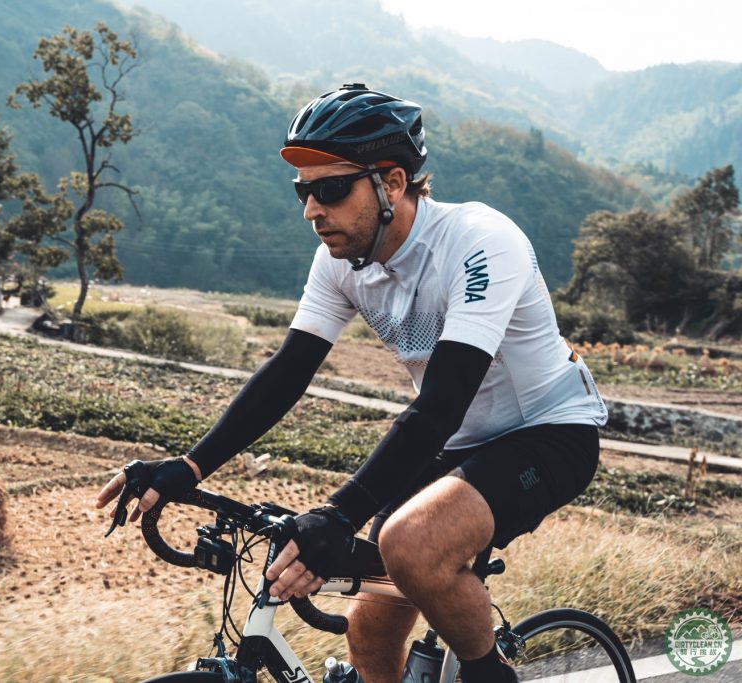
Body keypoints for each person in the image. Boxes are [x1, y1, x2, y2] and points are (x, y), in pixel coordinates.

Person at [96, 83, 607, 683]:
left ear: (392, 183)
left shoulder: (480, 243)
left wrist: (339, 515)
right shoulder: (340, 261)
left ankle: (488, 673)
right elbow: (288, 372)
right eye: (304, 191)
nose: (312, 210)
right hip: (455, 444)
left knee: (410, 544)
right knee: (370, 626)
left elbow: (441, 403)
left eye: (331, 189)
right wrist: (190, 466)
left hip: (548, 432)